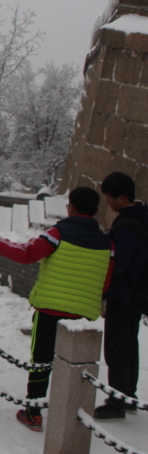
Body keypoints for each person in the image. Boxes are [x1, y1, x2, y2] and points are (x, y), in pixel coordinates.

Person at [0, 186, 113, 432]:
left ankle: (33, 413)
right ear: (97, 211)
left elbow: (26, 254)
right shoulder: (107, 243)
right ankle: (70, 414)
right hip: (81, 317)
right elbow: (106, 282)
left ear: (70, 207)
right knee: (76, 366)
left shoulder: (58, 233)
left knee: (42, 362)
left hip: (51, 310)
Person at [94, 172, 148, 420]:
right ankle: (128, 396)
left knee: (116, 349)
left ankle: (116, 401)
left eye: (109, 197)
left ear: (122, 197)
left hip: (124, 294)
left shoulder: (126, 226)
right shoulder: (143, 216)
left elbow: (121, 263)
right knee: (130, 345)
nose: (107, 201)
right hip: (139, 295)